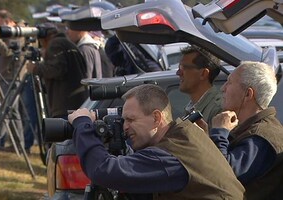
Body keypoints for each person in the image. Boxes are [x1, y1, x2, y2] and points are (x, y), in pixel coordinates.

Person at [68, 84, 244, 199]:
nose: (124, 128)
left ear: (156, 117)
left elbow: (104, 171)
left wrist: (82, 125)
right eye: (123, 121)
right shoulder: (183, 135)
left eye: (131, 120)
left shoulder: (172, 153)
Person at [210, 61, 283, 199]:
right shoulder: (250, 129)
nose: (223, 88)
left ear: (248, 94)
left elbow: (222, 176)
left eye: (229, 82)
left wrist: (219, 132)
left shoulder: (261, 137)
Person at [27, 22, 88, 119]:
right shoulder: (67, 43)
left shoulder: (55, 44)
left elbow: (56, 69)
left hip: (64, 106)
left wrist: (35, 68)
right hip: (76, 103)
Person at [0, 9, 25, 150]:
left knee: (3, 110)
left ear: (6, 21)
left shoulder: (19, 32)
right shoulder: (9, 32)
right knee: (12, 112)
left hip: (12, 77)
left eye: (0, 25)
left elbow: (7, 51)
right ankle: (18, 145)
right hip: (7, 76)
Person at [177, 45, 222, 128]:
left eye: (183, 68)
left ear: (203, 73)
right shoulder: (192, 108)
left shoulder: (218, 110)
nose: (178, 73)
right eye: (179, 67)